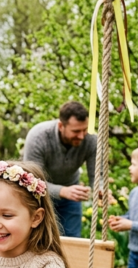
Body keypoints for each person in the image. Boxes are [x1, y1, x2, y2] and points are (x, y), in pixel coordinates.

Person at [22, 101, 97, 237]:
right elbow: (32, 182)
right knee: (40, 239)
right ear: (61, 126)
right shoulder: (38, 137)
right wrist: (62, 191)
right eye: (76, 131)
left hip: (71, 195)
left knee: (72, 240)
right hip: (39, 196)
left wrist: (101, 189)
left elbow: (98, 176)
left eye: (84, 130)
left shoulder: (91, 140)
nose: (81, 136)